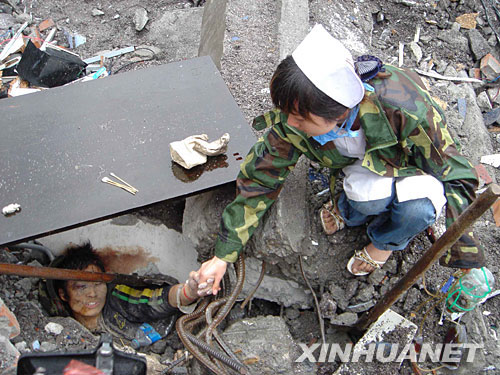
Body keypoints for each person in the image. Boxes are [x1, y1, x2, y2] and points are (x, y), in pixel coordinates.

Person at [196, 24, 485, 294]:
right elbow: (260, 180)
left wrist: (462, 251)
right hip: (365, 167)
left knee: (418, 211)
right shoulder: (298, 118)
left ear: (338, 113)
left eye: (298, 118)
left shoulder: (405, 110)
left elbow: (456, 175)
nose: (289, 124)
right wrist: (223, 255)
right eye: (286, 114)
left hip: (409, 169)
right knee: (362, 200)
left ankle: (384, 243)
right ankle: (348, 209)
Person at [50, 242, 212, 341]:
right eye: (81, 287)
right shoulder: (54, 322)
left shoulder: (118, 298)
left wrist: (188, 292)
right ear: (63, 294)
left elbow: (150, 300)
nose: (92, 293)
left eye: (98, 284)